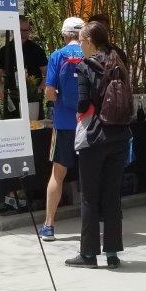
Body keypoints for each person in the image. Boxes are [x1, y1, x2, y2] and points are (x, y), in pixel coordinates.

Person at [67, 21, 132, 269]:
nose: (81, 46)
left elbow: (83, 103)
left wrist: (79, 110)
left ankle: (88, 254)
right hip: (120, 136)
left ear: (90, 42)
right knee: (112, 196)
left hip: (95, 137)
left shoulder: (85, 66)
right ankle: (113, 253)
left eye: (82, 41)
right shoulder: (119, 61)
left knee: (90, 197)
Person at [38, 17, 86, 241]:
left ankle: (48, 225)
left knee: (57, 174)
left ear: (65, 35)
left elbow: (49, 91)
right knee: (91, 174)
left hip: (64, 124)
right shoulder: (91, 55)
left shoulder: (58, 56)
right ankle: (95, 221)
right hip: (87, 123)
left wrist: (59, 101)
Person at [0, 15, 49, 119]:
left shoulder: (37, 50)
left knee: (35, 130)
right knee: (12, 131)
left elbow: (47, 73)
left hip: (32, 98)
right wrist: (0, 90)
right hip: (12, 99)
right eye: (22, 30)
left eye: (28, 30)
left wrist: (40, 88)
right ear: (15, 30)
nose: (26, 33)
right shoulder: (4, 51)